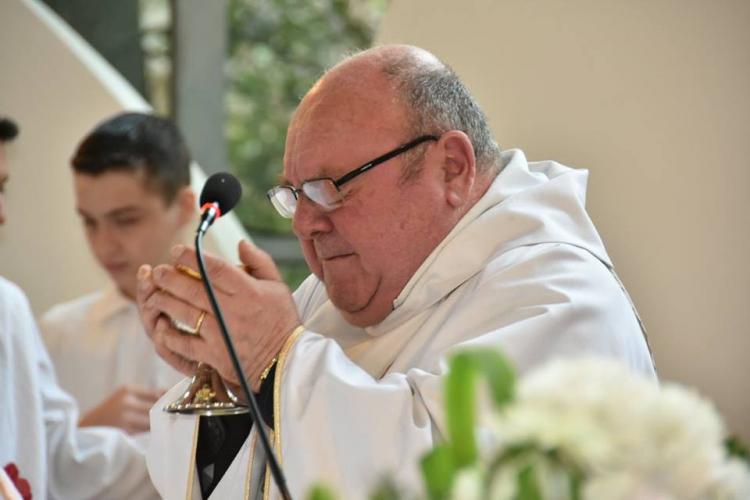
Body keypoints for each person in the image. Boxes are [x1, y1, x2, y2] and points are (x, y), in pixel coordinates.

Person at [137, 45, 656, 499]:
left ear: (452, 167)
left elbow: (453, 481)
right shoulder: (330, 293)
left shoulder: (562, 298)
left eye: (330, 186)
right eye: (294, 195)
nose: (305, 223)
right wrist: (227, 382)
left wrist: (273, 359)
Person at [0, 115, 159, 499]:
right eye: (89, 222)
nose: (3, 213)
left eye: (3, 187)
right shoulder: (45, 323)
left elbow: (53, 454)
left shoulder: (8, 308)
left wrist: (205, 443)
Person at [39, 112, 189, 435]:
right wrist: (82, 430)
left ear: (185, 207)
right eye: (89, 222)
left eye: (125, 219)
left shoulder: (237, 330)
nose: (104, 245)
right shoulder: (56, 336)